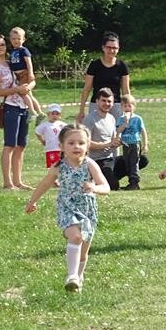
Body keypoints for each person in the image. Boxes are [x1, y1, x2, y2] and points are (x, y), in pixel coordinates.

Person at [25, 124, 111, 293]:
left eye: (81, 143)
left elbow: (105, 186)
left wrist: (95, 188)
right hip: (67, 208)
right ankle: (71, 276)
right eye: (71, 143)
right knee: (75, 236)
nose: (76, 147)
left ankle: (78, 278)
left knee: (83, 253)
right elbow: (45, 184)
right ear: (62, 146)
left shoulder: (90, 164)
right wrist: (32, 201)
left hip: (87, 210)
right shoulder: (59, 167)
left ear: (87, 146)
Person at [0, 32, 35, 190]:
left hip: (24, 106)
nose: (1, 47)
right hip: (10, 107)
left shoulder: (11, 62)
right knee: (10, 145)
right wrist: (16, 89)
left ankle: (18, 180)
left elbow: (29, 78)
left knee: (21, 145)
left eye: (2, 44)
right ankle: (8, 182)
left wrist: (28, 86)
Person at [76, 32, 130, 123]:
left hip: (116, 105)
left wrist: (128, 110)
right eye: (109, 47)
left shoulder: (122, 66)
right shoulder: (94, 65)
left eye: (114, 48)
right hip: (96, 104)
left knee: (117, 133)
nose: (111, 50)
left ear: (118, 49)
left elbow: (126, 90)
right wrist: (81, 110)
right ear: (103, 48)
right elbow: (87, 88)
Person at [82, 88, 121, 190]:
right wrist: (108, 144)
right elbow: (86, 143)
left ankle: (111, 177)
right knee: (114, 186)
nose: (106, 103)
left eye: (109, 101)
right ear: (97, 101)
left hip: (111, 159)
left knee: (141, 160)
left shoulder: (111, 118)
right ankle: (104, 177)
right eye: (103, 100)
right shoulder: (89, 119)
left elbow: (113, 140)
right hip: (98, 161)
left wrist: (118, 142)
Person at [8, 27, 44, 120]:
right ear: (10, 40)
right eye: (14, 39)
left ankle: (32, 112)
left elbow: (28, 62)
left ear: (23, 39)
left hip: (24, 74)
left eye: (19, 38)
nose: (16, 41)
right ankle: (40, 113)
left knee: (22, 93)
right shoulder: (13, 51)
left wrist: (31, 73)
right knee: (30, 95)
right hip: (17, 76)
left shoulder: (23, 50)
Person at [116, 94, 148, 191]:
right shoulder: (121, 119)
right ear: (122, 107)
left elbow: (143, 131)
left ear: (134, 107)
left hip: (135, 143)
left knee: (134, 162)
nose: (127, 108)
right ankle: (131, 181)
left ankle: (135, 182)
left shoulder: (137, 119)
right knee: (127, 162)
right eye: (125, 106)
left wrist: (145, 144)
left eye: (129, 106)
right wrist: (125, 123)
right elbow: (118, 131)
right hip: (125, 144)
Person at [34, 103, 66, 168]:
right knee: (52, 167)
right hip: (51, 149)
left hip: (61, 149)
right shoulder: (45, 125)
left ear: (60, 115)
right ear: (48, 114)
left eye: (57, 114)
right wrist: (42, 141)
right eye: (53, 113)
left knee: (62, 167)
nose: (55, 116)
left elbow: (69, 131)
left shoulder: (62, 124)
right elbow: (37, 132)